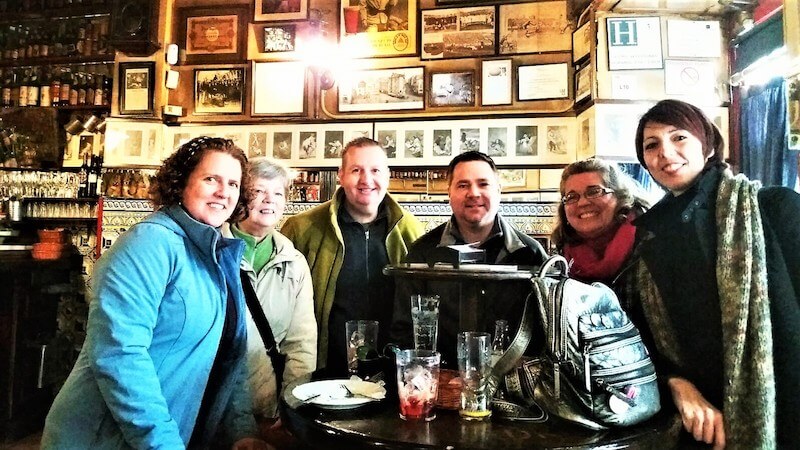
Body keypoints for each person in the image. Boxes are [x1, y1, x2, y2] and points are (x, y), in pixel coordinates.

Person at [42, 137, 267, 449]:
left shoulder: (218, 255)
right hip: (104, 439)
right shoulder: (148, 243)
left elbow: (229, 356)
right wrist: (162, 444)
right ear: (181, 183)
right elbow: (120, 355)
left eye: (233, 183)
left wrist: (241, 431)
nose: (223, 192)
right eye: (210, 179)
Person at [630, 99, 800, 448]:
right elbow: (647, 335)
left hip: (785, 405)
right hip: (698, 422)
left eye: (679, 137)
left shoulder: (774, 207)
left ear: (707, 146)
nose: (665, 152)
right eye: (651, 145)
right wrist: (673, 381)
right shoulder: (650, 236)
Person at [280, 137, 424, 375]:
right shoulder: (302, 229)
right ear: (341, 175)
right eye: (356, 170)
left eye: (375, 170)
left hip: (393, 374)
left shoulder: (411, 230)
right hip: (323, 372)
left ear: (387, 175)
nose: (366, 180)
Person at [390, 151, 547, 367]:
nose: (474, 193)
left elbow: (545, 333)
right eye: (463, 185)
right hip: (440, 383)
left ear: (499, 191)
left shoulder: (531, 253)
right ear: (449, 194)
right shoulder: (423, 253)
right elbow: (403, 328)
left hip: (511, 389)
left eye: (483, 184)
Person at [221, 158, 316, 427]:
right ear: (240, 197)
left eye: (278, 193)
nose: (269, 200)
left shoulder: (294, 263)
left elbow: (301, 344)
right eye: (259, 191)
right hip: (213, 406)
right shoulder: (214, 252)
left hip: (266, 408)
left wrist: (292, 406)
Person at [551, 158, 652, 288]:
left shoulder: (651, 243)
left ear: (620, 197)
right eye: (571, 197)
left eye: (594, 191)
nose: (582, 203)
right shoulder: (560, 258)